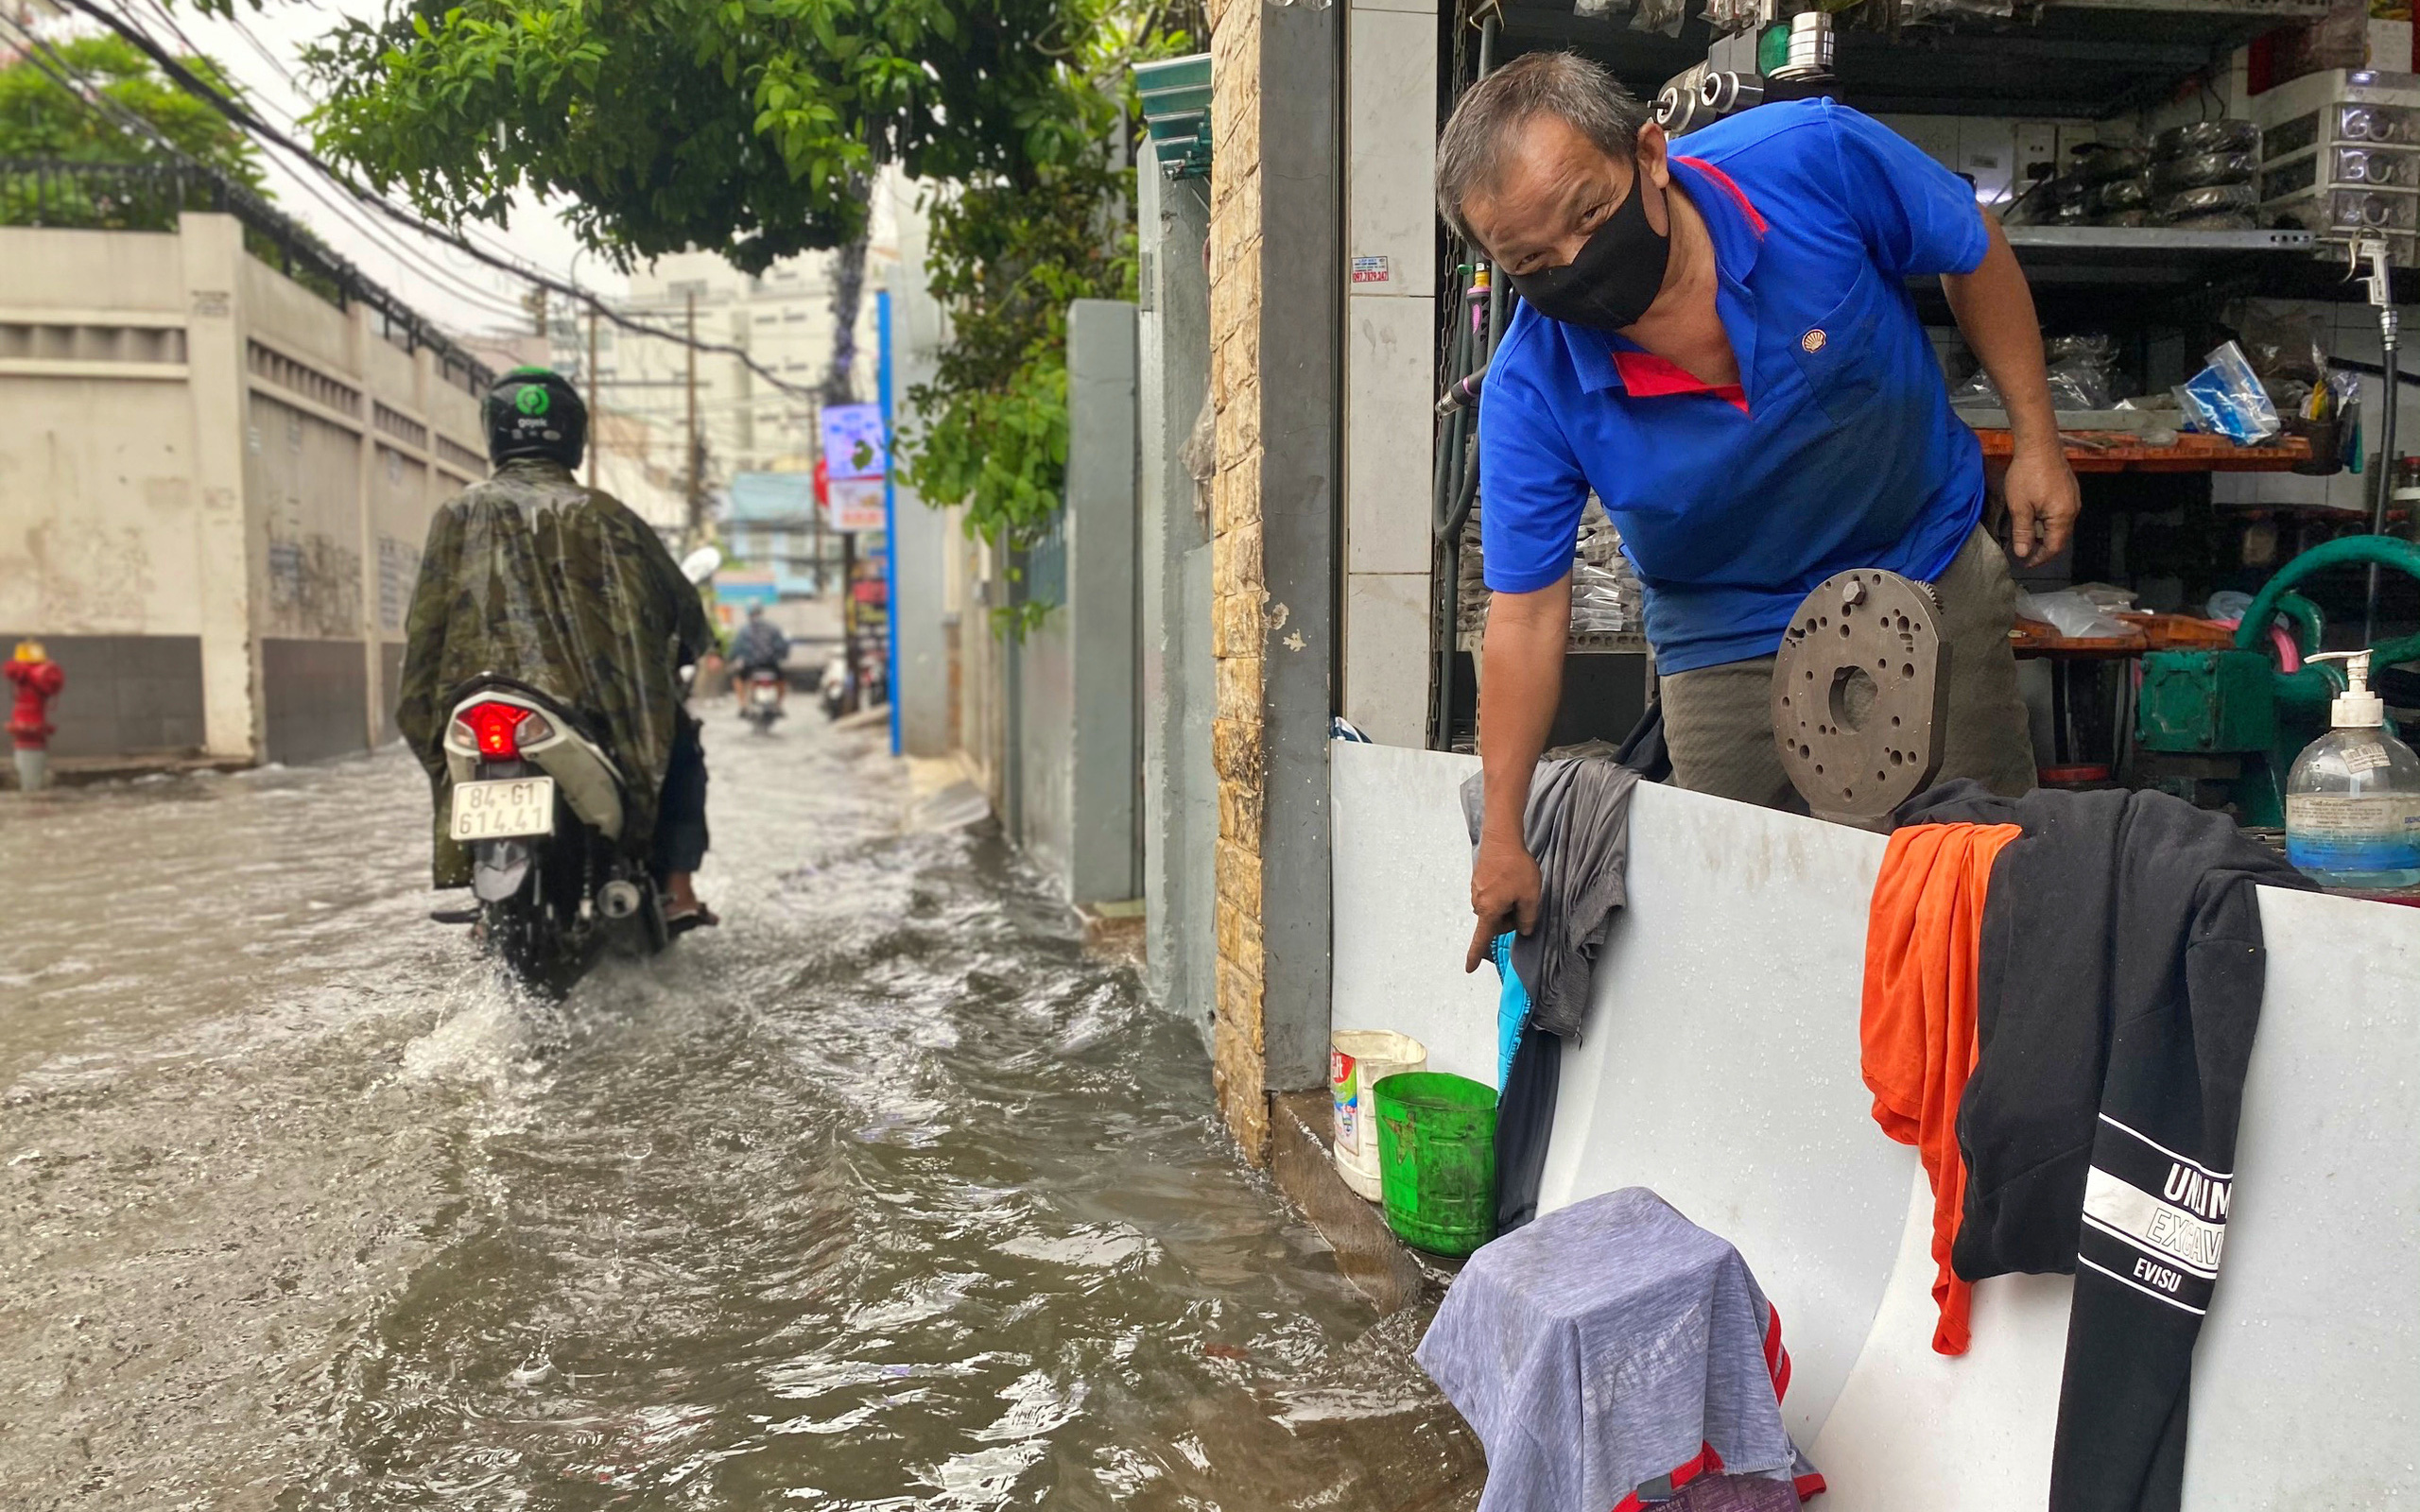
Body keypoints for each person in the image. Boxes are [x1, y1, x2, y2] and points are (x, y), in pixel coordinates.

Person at [1437, 56, 2078, 969]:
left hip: (1922, 564)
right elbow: (1526, 617)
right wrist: (1502, 836)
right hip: (1725, 632)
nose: (1577, 264)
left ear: (1650, 154)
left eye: (1587, 215)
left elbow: (1969, 247)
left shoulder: (1809, 157)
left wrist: (2038, 438)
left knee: (1973, 891)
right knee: (1754, 927)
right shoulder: (1530, 390)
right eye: (1532, 261)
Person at [395, 367, 719, 930]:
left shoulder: (456, 514)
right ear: (573, 433)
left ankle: (474, 879)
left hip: (478, 703)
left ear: (494, 433)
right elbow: (681, 610)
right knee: (683, 745)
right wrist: (690, 646)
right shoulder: (607, 515)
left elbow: (424, 629)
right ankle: (678, 888)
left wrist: (427, 709)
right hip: (589, 717)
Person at [730, 604, 790, 707]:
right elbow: (782, 646)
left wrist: (731, 658)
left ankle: (742, 705)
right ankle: (779, 705)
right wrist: (782, 657)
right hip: (771, 665)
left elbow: (736, 648)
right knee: (782, 681)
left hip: (751, 666)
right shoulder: (773, 628)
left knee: (738, 679)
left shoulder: (744, 630)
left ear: (748, 614)